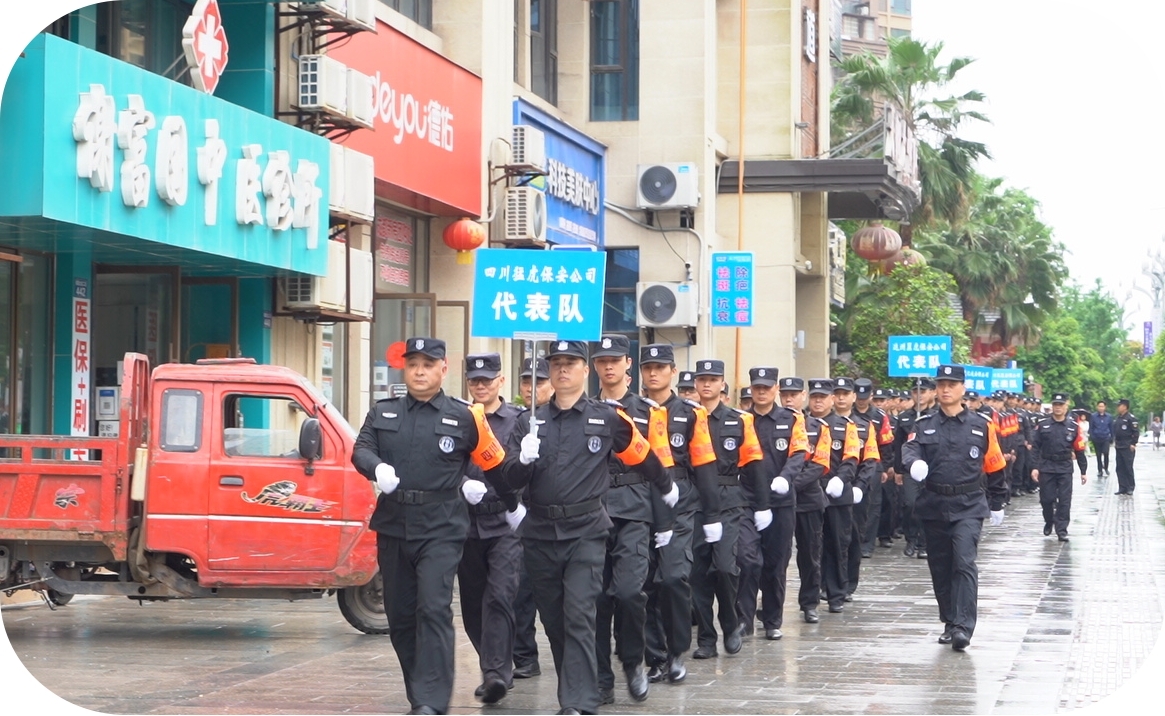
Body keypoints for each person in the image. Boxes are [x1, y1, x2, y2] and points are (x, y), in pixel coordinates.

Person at [491, 340, 678, 716]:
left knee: (579, 614)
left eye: (571, 362)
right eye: (556, 363)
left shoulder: (606, 417)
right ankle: (579, 688)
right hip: (540, 532)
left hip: (586, 532)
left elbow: (641, 452)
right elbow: (508, 478)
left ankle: (577, 702)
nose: (563, 369)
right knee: (555, 620)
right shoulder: (529, 421)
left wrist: (664, 485)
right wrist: (523, 460)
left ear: (583, 369)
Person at [352, 337, 511, 715]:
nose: (419, 371)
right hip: (395, 524)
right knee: (401, 616)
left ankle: (432, 701)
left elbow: (494, 463)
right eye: (413, 365)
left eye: (427, 364)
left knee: (434, 608)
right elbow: (360, 449)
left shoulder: (466, 416)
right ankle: (419, 693)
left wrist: (512, 505)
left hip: (442, 526)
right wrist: (377, 467)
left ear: (443, 369)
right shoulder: (384, 412)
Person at [590, 335, 675, 705]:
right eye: (602, 360)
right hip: (593, 512)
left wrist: (664, 523)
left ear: (628, 363)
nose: (608, 366)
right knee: (595, 599)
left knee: (628, 593)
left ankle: (632, 661)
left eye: (615, 359)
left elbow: (660, 468)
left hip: (635, 512)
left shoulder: (649, 412)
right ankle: (600, 679)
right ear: (594, 365)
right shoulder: (585, 409)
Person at [901, 364, 1008, 652]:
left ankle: (963, 626)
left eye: (951, 384)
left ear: (963, 388)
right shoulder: (923, 424)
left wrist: (998, 500)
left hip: (969, 504)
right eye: (941, 384)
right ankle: (949, 621)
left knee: (963, 561)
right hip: (934, 504)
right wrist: (914, 463)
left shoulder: (982, 425)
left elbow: (995, 464)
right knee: (941, 566)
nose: (945, 389)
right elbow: (910, 449)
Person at [639, 344, 720, 686]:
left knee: (673, 578)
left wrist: (712, 513)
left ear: (673, 372)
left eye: (660, 367)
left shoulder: (690, 413)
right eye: (648, 367)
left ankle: (676, 651)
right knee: (643, 583)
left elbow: (704, 464)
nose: (653, 373)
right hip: (639, 504)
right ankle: (654, 656)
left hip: (680, 504)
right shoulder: (631, 410)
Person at [457, 353, 526, 705]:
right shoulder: (457, 418)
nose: (480, 385)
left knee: (500, 595)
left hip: (504, 522)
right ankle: (492, 666)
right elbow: (443, 463)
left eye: (487, 379)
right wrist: (460, 484)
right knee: (472, 604)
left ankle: (497, 673)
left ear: (501, 381)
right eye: (474, 380)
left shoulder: (517, 420)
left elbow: (525, 469)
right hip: (466, 524)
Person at [690, 359, 766, 659]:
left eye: (713, 379)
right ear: (696, 384)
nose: (707, 384)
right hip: (694, 499)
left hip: (728, 499)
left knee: (725, 567)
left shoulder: (739, 420)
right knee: (697, 572)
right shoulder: (685, 416)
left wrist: (762, 505)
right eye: (702, 379)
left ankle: (731, 622)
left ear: (723, 384)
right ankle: (706, 639)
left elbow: (754, 464)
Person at [738, 366, 809, 641]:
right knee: (746, 559)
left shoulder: (791, 419)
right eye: (757, 387)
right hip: (748, 500)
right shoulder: (741, 420)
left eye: (767, 387)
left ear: (775, 389)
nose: (762, 392)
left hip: (780, 501)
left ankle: (771, 619)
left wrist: (785, 478)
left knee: (776, 562)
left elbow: (799, 452)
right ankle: (744, 620)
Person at [512, 356, 551, 681]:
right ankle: (525, 656)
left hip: (558, 516)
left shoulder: (562, 419)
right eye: (526, 381)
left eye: (539, 381)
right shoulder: (519, 421)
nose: (531, 387)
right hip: (524, 515)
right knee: (520, 590)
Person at [782, 377, 831, 623]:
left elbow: (819, 464)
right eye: (785, 394)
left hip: (807, 499)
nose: (789, 399)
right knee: (776, 556)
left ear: (803, 396)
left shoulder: (819, 428)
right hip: (778, 501)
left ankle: (810, 603)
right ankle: (771, 604)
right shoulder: (773, 424)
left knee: (810, 554)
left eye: (794, 394)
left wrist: (789, 484)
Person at [816, 378, 863, 613]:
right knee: (812, 546)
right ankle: (814, 591)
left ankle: (836, 593)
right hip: (810, 492)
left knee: (837, 544)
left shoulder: (847, 426)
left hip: (837, 493)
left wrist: (842, 479)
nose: (818, 401)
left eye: (823, 397)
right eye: (814, 397)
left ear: (831, 399)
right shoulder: (803, 424)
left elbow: (852, 457)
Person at [1029, 393, 1087, 542]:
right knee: (1047, 499)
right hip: (1047, 466)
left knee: (1064, 500)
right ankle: (1049, 521)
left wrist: (1083, 471)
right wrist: (1034, 467)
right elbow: (1035, 447)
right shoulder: (1043, 425)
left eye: (1061, 405)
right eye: (1055, 404)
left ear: (1066, 406)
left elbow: (1079, 449)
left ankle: (1062, 529)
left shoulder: (1073, 426)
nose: (1058, 407)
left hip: (1064, 467)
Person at [894, 378, 936, 559]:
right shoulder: (904, 417)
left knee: (928, 504)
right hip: (910, 468)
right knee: (910, 504)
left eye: (923, 391)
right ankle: (911, 539)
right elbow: (899, 445)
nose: (919, 395)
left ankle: (924, 543)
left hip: (931, 468)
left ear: (932, 393)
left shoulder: (937, 416)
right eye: (915, 391)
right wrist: (897, 469)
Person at [1113, 399, 1139, 495]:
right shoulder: (1118, 418)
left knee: (1128, 467)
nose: (1117, 407)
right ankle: (1122, 487)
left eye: (1119, 405)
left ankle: (1130, 487)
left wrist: (1133, 443)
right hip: (1119, 446)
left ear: (1124, 407)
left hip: (1128, 446)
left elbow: (1135, 432)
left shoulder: (1131, 418)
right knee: (1120, 468)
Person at [1088, 401, 1112, 477]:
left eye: (1102, 406)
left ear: (1105, 407)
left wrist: (1112, 437)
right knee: (1098, 455)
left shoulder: (1109, 416)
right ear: (1097, 407)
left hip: (1105, 437)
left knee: (1106, 453)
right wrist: (1092, 436)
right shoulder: (1093, 416)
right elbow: (1091, 427)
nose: (1101, 408)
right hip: (1096, 438)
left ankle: (1106, 468)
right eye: (1099, 406)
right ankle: (1100, 470)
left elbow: (1111, 427)